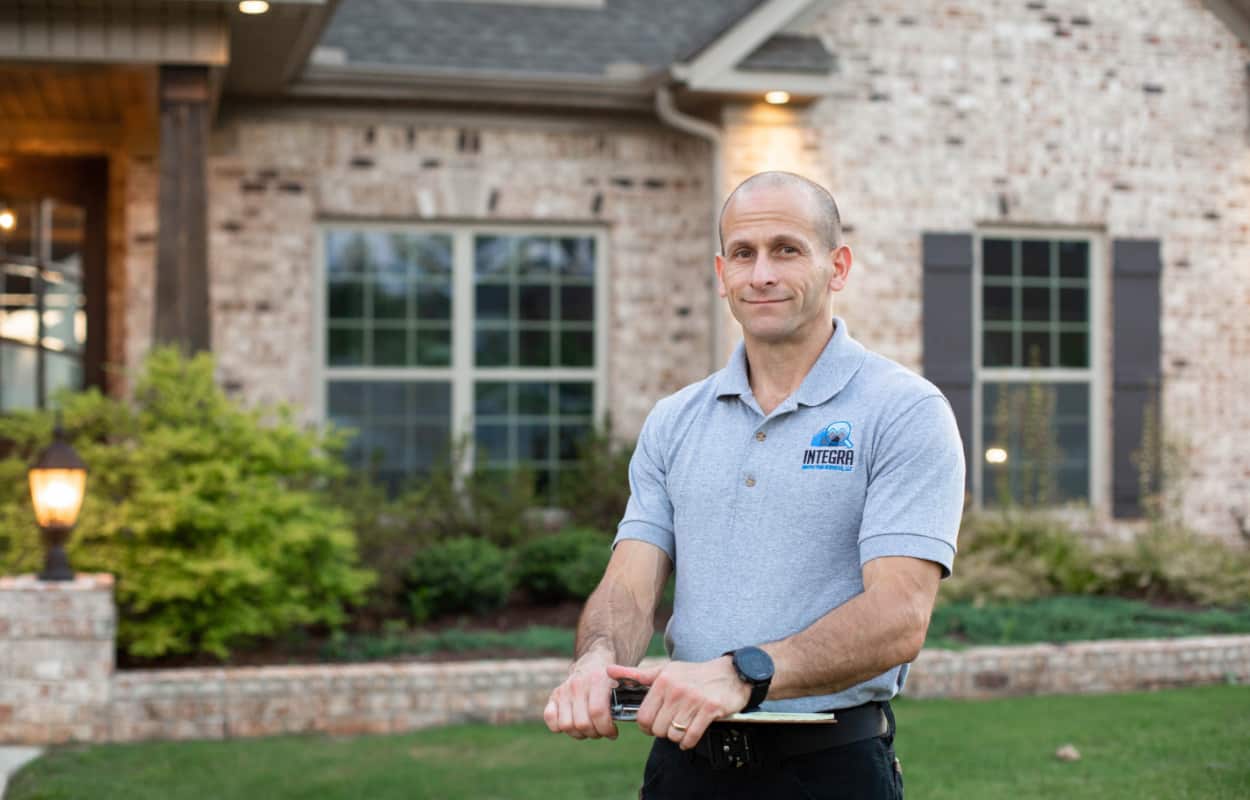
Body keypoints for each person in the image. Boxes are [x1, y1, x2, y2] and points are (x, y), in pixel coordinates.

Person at [543, 171, 965, 799]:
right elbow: (630, 582)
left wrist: (745, 674)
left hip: (828, 768)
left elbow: (899, 616)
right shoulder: (676, 420)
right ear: (722, 274)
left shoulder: (903, 410)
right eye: (743, 254)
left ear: (838, 266)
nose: (761, 273)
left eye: (786, 250)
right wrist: (597, 658)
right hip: (683, 767)